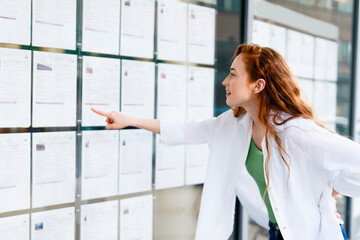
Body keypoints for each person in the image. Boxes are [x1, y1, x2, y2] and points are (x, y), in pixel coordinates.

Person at [91, 44, 360, 240]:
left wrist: (331, 185)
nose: (225, 81)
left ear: (258, 85)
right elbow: (187, 130)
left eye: (233, 74)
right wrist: (128, 119)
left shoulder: (297, 132)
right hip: (279, 232)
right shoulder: (233, 125)